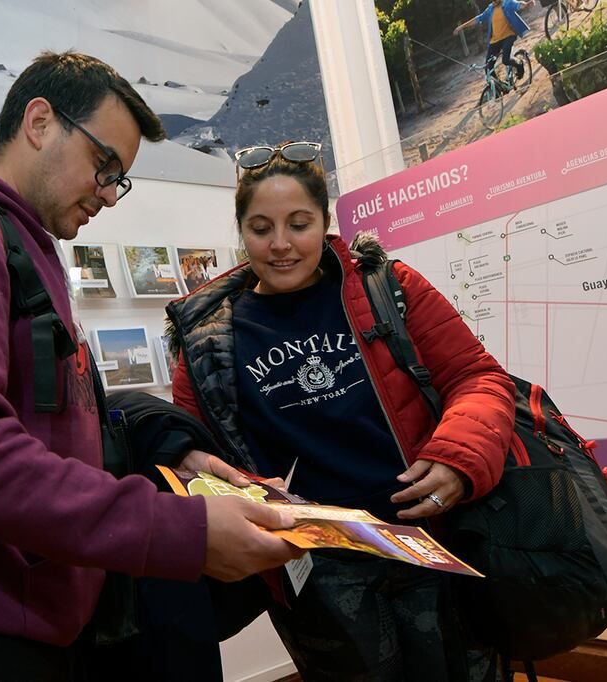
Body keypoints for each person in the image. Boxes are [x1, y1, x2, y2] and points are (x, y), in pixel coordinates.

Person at [0, 51, 302, 681]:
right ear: (39, 122)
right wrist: (179, 531)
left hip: (31, 625)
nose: (110, 195)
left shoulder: (20, 243)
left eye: (121, 179)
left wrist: (172, 449)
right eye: (104, 166)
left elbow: (65, 417)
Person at [165, 141, 517, 681]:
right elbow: (198, 458)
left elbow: (477, 377)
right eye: (262, 228)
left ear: (326, 222)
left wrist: (458, 457)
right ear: (242, 233)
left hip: (427, 540)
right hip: (315, 570)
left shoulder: (387, 287)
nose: (281, 244)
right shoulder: (206, 336)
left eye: (299, 223)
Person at [454, 0, 536, 82]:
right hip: (495, 41)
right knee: (488, 68)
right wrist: (461, 27)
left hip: (508, 36)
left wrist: (527, 4)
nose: (494, 1)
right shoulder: (490, 9)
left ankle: (519, 64)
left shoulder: (507, 3)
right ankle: (498, 87)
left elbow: (519, 5)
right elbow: (478, 19)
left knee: (506, 60)